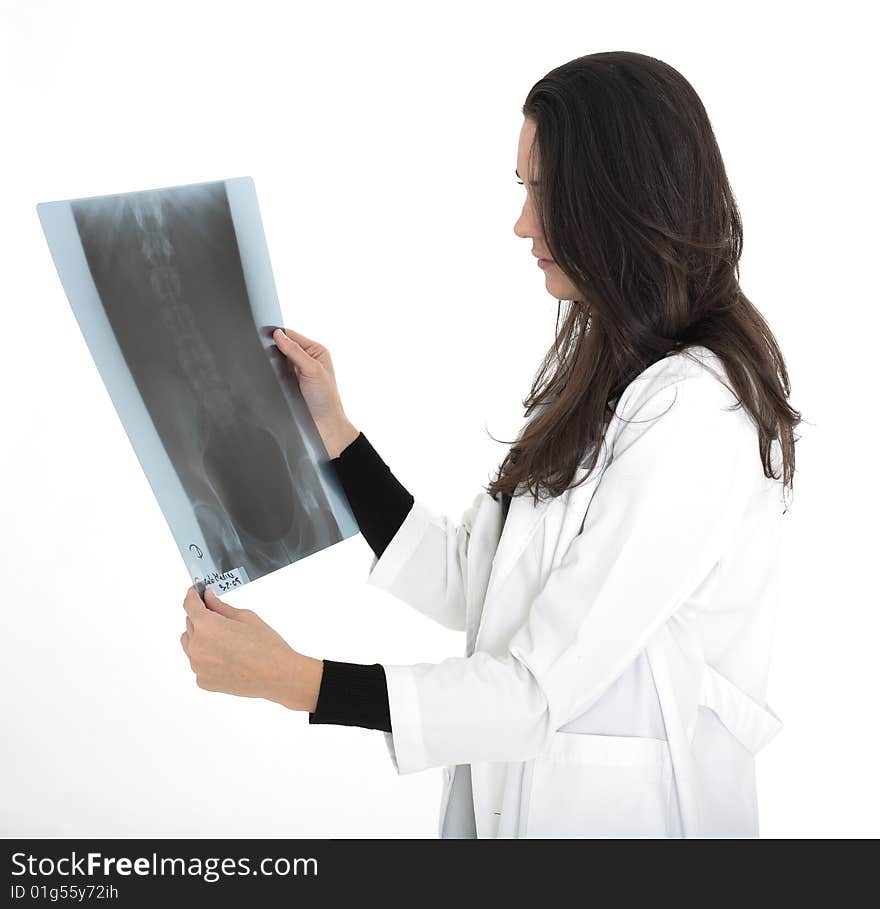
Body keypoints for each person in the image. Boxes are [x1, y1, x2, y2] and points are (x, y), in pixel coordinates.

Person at [179, 50, 801, 838]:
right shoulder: (611, 375)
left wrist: (296, 681)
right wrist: (334, 432)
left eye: (544, 192)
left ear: (617, 199)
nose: (522, 223)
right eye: (524, 190)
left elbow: (537, 691)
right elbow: (476, 581)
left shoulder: (697, 413)